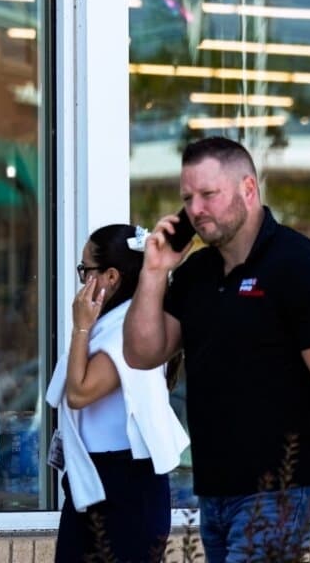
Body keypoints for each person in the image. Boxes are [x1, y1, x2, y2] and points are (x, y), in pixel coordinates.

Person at [123, 136, 310, 561]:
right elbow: (142, 353)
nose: (196, 209)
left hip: (282, 492)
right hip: (216, 491)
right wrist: (153, 272)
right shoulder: (196, 274)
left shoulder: (299, 264)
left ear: (248, 189)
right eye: (187, 197)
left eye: (209, 194)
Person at [45, 224, 189, 563]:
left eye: (85, 270)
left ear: (111, 276)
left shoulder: (129, 328)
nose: (82, 280)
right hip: (97, 478)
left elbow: (79, 393)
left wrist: (80, 325)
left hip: (124, 483)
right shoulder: (115, 320)